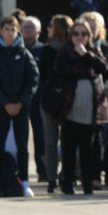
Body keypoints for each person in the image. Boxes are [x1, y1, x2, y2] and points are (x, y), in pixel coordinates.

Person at [54, 20, 108, 195]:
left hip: (89, 110)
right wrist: (87, 72)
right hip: (69, 108)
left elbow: (104, 68)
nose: (79, 37)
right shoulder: (64, 53)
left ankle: (87, 185)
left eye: (83, 34)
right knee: (69, 149)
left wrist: (86, 55)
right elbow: (61, 72)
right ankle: (67, 184)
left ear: (89, 36)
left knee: (87, 149)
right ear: (70, 36)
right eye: (76, 34)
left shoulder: (94, 51)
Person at [0, 15, 39, 196]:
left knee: (22, 146)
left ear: (18, 32)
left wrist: (21, 102)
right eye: (6, 29)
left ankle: (24, 182)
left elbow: (33, 79)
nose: (9, 33)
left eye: (13, 30)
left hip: (20, 108)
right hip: (0, 108)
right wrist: (5, 103)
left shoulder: (24, 54)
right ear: (0, 31)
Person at [39, 15, 70, 193]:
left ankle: (52, 179)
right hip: (67, 99)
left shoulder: (48, 50)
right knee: (67, 140)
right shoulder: (70, 50)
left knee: (50, 142)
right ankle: (66, 175)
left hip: (50, 99)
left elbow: (43, 77)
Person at [20, 16, 48, 183]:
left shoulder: (44, 51)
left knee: (41, 138)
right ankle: (19, 172)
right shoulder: (16, 48)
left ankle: (43, 170)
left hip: (39, 100)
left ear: (39, 31)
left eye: (31, 27)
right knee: (20, 138)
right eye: (25, 27)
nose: (27, 30)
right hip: (20, 100)